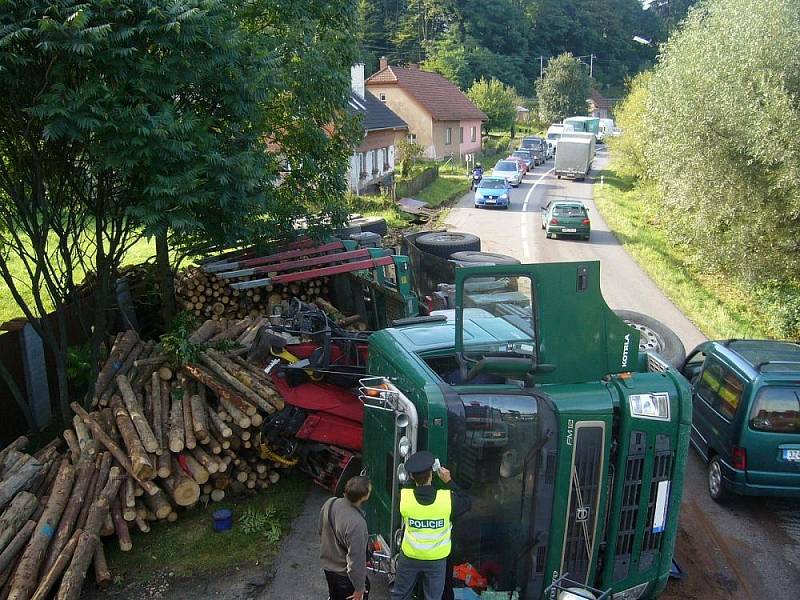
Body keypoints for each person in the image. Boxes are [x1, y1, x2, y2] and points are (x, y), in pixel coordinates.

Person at [391, 451, 471, 600]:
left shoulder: (404, 497)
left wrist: (415, 478)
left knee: (400, 595)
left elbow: (410, 486)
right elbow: (467, 501)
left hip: (410, 556)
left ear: (412, 476)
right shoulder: (447, 499)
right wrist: (449, 481)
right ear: (432, 475)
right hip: (436, 559)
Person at [319, 475, 372, 600]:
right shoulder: (357, 523)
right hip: (344, 578)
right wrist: (359, 589)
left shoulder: (330, 503)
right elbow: (356, 562)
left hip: (328, 568)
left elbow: (321, 531)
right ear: (364, 497)